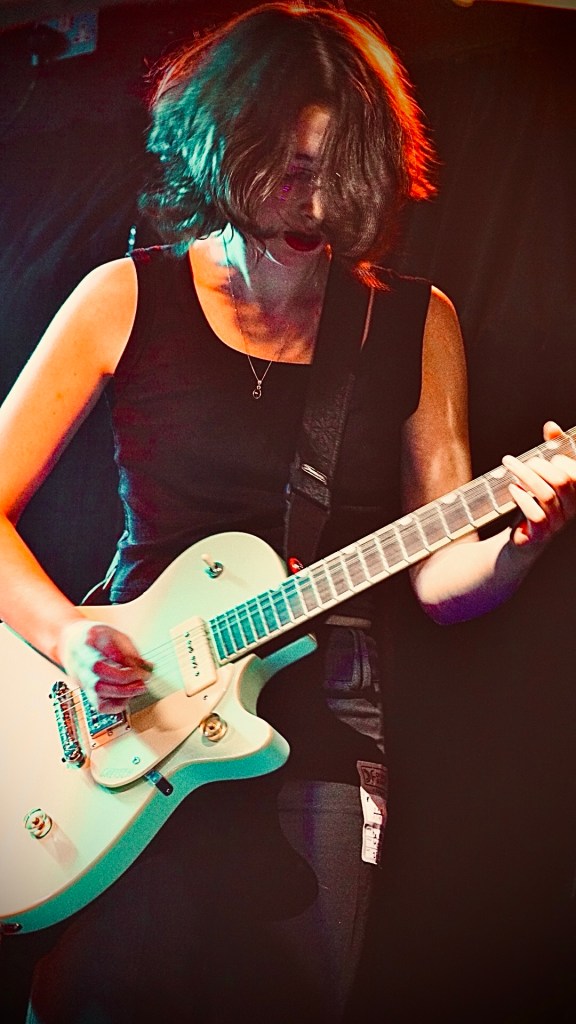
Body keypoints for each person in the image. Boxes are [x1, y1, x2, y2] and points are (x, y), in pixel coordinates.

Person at [0, 3, 575, 1022]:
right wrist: (70, 635)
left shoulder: (415, 322)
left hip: (323, 727)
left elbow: (438, 577)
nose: (314, 202)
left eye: (339, 173)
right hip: (122, 709)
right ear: (222, 150)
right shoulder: (123, 297)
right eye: (289, 168)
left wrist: (519, 548)